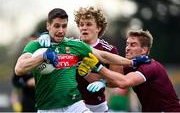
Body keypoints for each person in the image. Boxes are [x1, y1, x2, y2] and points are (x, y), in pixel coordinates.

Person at [14, 8, 146, 112]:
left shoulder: (77, 46)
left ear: (98, 28)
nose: (61, 30)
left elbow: (104, 58)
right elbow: (19, 69)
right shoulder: (39, 45)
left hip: (80, 104)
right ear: (48, 26)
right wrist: (42, 54)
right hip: (48, 105)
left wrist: (131, 62)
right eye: (56, 26)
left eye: (64, 26)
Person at [78, 29, 180, 112]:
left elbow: (124, 82)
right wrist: (88, 75)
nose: (127, 48)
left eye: (133, 45)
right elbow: (113, 80)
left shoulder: (151, 66)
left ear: (144, 49)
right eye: (127, 44)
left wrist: (99, 66)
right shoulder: (131, 67)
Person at [11, 34, 38, 112]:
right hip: (28, 101)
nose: (32, 45)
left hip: (44, 100)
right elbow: (15, 82)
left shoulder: (45, 58)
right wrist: (27, 83)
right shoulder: (21, 62)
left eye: (34, 42)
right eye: (30, 42)